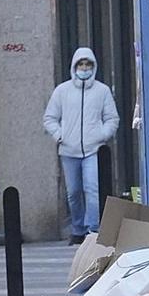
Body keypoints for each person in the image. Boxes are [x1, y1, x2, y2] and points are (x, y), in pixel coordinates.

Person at [41, 46, 120, 243]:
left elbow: (112, 118)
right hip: (69, 150)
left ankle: (92, 230)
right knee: (73, 192)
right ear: (74, 66)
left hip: (93, 149)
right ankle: (77, 228)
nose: (84, 68)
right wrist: (60, 135)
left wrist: (102, 135)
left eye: (88, 64)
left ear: (94, 66)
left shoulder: (102, 91)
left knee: (92, 189)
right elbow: (50, 118)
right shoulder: (62, 91)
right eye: (81, 64)